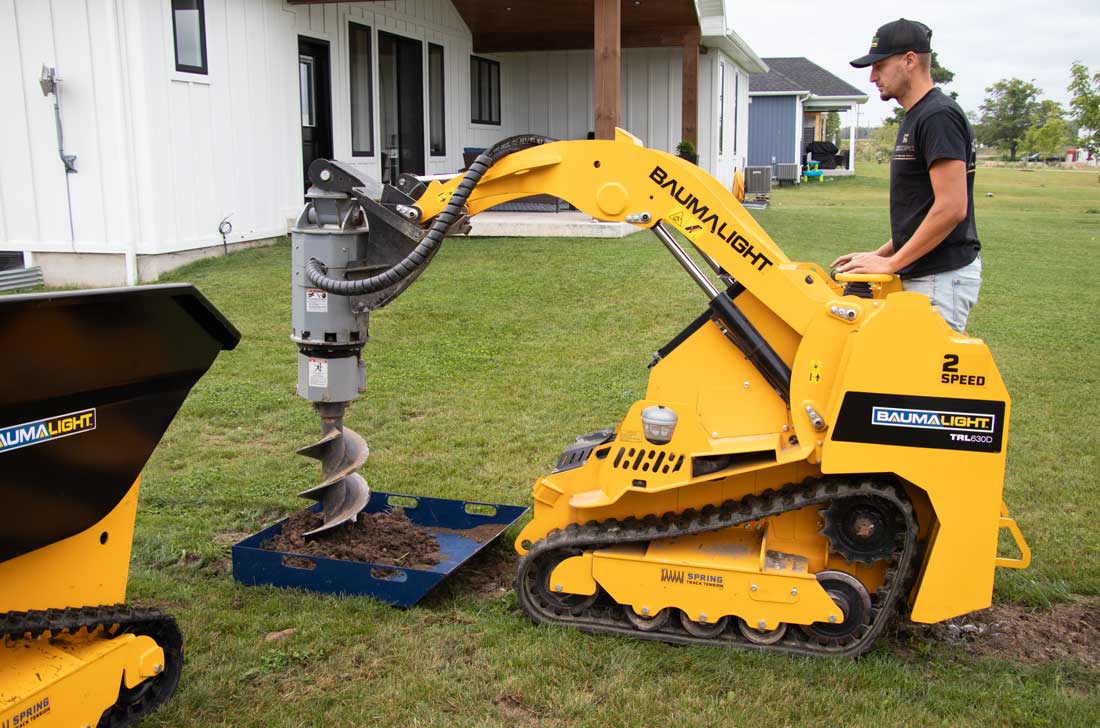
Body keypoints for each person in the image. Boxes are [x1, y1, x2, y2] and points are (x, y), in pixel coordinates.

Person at [832, 18, 981, 333]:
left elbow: (952, 207)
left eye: (880, 66)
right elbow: (922, 210)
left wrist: (890, 264)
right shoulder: (917, 116)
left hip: (939, 276)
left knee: (922, 378)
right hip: (925, 273)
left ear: (909, 61)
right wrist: (881, 253)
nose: (873, 77)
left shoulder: (938, 116)